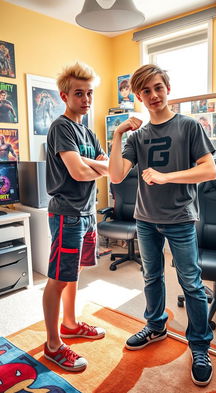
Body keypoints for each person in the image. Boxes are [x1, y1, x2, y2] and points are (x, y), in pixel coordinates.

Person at [109, 64, 216, 387]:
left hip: (181, 219)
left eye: (158, 87)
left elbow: (210, 170)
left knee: (192, 284)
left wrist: (166, 176)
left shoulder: (188, 127)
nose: (154, 96)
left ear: (167, 87)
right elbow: (115, 176)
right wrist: (117, 134)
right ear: (139, 96)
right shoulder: (138, 137)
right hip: (145, 220)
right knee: (151, 277)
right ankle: (156, 326)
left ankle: (200, 346)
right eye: (146, 91)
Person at [43, 62, 109, 372]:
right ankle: (53, 344)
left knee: (73, 273)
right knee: (57, 278)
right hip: (67, 214)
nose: (86, 99)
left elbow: (108, 167)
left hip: (87, 212)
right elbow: (81, 171)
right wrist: (90, 165)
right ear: (65, 96)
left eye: (89, 93)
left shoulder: (89, 131)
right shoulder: (61, 127)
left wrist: (93, 165)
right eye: (79, 93)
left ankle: (69, 323)